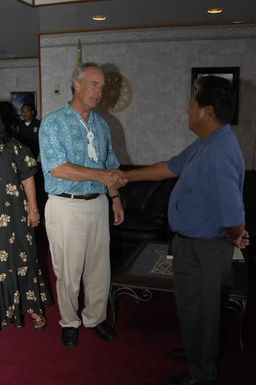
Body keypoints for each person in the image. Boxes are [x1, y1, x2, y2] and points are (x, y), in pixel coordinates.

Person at [121, 76, 249, 385]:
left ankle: (202, 373)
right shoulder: (209, 142)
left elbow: (233, 213)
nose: (186, 109)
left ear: (206, 111)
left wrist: (236, 236)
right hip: (190, 244)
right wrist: (126, 177)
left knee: (203, 312)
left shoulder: (219, 153)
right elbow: (169, 167)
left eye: (191, 103)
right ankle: (197, 353)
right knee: (191, 306)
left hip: (204, 248)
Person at [39, 63, 126, 347]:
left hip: (98, 203)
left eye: (101, 86)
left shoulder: (102, 124)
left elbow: (110, 165)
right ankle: (69, 321)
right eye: (93, 84)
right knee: (68, 269)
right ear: (76, 84)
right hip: (66, 206)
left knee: (99, 268)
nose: (99, 91)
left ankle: (95, 318)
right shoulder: (54, 122)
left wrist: (114, 197)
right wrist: (99, 175)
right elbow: (57, 168)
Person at [0, 117, 51, 331]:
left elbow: (28, 178)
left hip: (14, 215)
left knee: (24, 257)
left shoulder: (14, 147)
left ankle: (33, 308)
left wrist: (33, 208)